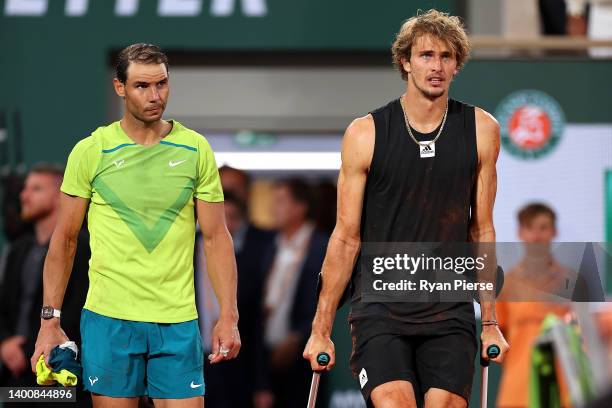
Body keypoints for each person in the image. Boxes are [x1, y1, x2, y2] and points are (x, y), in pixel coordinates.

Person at [302, 9, 509, 408]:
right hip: (380, 304)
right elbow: (346, 236)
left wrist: (489, 322)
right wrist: (321, 327)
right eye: (426, 55)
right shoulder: (366, 133)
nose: (436, 66)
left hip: (447, 304)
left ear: (457, 65)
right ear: (406, 62)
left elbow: (481, 230)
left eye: (446, 57)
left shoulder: (482, 130)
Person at [29, 43, 240, 408]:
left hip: (177, 321)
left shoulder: (195, 150)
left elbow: (217, 239)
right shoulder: (91, 151)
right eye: (142, 85)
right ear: (120, 87)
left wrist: (229, 315)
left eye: (162, 84)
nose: (155, 95)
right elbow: (63, 241)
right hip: (109, 321)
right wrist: (50, 320)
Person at [0, 163, 90, 406]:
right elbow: (5, 307)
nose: (23, 195)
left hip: (62, 372)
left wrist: (33, 346)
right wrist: (6, 342)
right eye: (25, 188)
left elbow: (80, 308)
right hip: (17, 375)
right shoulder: (18, 251)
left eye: (36, 189)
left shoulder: (84, 248)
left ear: (59, 195)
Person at [496, 203, 585, 408]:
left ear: (554, 231)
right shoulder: (505, 284)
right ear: (520, 232)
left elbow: (584, 338)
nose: (536, 236)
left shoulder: (572, 281)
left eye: (543, 228)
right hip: (518, 393)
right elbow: (499, 340)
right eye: (529, 228)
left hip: (565, 393)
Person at [196, 189, 274, 408]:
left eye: (232, 218)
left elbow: (255, 327)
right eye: (221, 217)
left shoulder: (248, 264)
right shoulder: (183, 256)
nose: (226, 224)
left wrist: (261, 384)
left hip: (236, 366)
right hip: (190, 360)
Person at [263, 178, 328, 408]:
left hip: (305, 353)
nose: (273, 208)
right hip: (266, 355)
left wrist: (299, 334)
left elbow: (327, 298)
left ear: (300, 207)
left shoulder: (323, 247)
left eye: (280, 201)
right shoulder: (269, 245)